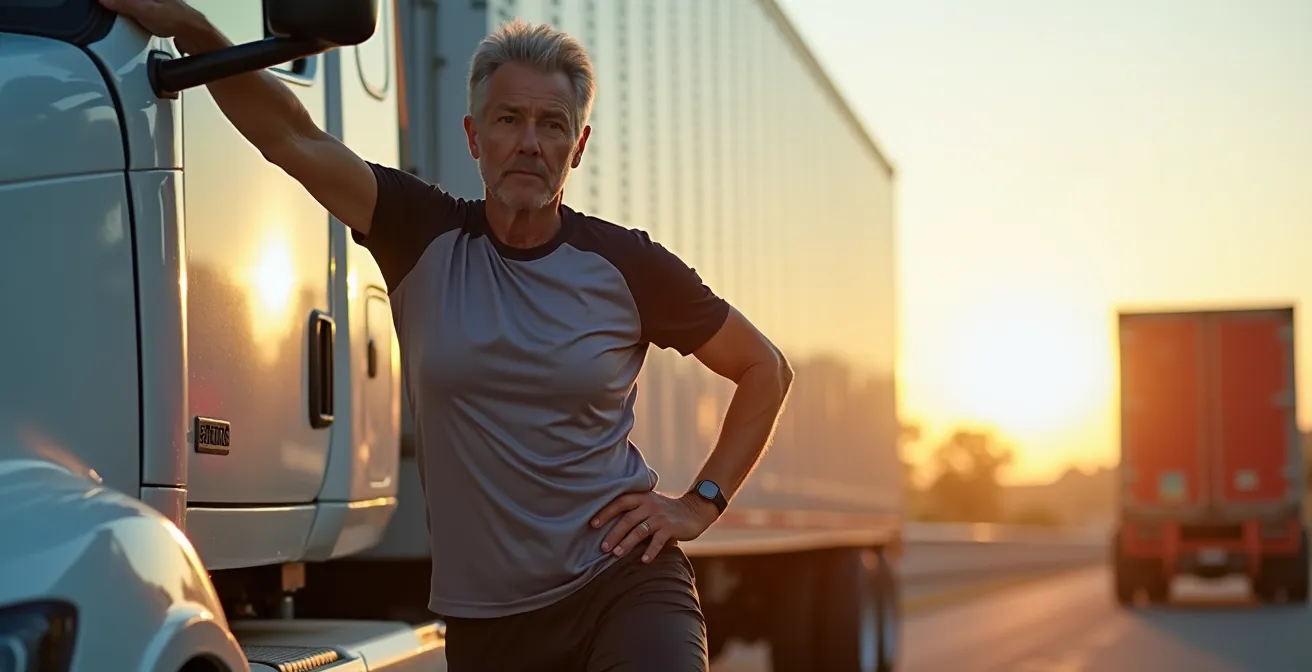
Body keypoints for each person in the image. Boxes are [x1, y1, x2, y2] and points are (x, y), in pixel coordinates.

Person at [98, 1, 795, 669]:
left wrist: (699, 503)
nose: (529, 142)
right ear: (473, 136)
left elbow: (765, 368)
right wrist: (191, 26)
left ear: (578, 147)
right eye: (508, 119)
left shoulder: (627, 264)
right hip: (489, 624)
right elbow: (290, 135)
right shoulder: (420, 235)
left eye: (553, 125)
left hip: (620, 584)